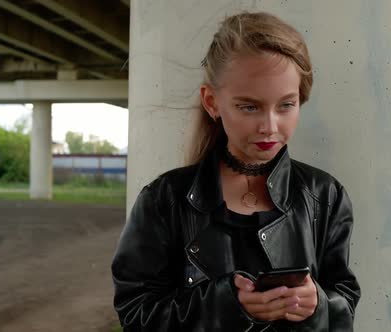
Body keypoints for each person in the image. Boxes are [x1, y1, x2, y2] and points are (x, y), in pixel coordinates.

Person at [111, 11, 361, 331]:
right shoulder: (164, 200)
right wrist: (226, 305)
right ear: (212, 102)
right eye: (249, 106)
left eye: (286, 105)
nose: (269, 127)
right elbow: (135, 315)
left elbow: (345, 305)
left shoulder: (326, 196)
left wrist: (318, 306)